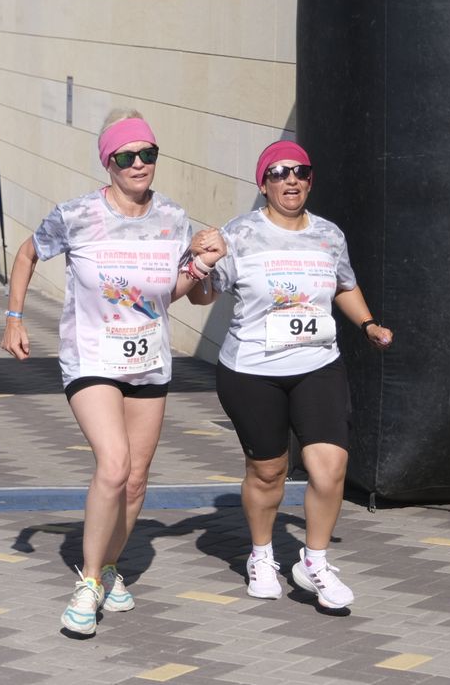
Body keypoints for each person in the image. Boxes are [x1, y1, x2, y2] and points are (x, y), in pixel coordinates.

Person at [1, 110, 225, 637]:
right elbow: (29, 253)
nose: (140, 164)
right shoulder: (76, 214)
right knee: (115, 463)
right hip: (92, 357)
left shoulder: (173, 219)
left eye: (148, 153)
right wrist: (13, 316)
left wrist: (203, 267)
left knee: (138, 477)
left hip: (149, 358)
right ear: (109, 162)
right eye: (127, 156)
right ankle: (86, 583)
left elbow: (180, 296)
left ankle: (106, 567)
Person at [187, 141, 391, 610]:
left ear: (310, 179)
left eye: (300, 171)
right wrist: (202, 263)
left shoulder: (329, 235)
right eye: (278, 173)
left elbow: (345, 283)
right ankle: (261, 555)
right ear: (264, 184)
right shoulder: (238, 235)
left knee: (330, 467)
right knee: (269, 470)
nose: (291, 180)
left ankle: (313, 561)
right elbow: (202, 298)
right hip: (252, 371)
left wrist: (368, 324)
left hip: (317, 363)